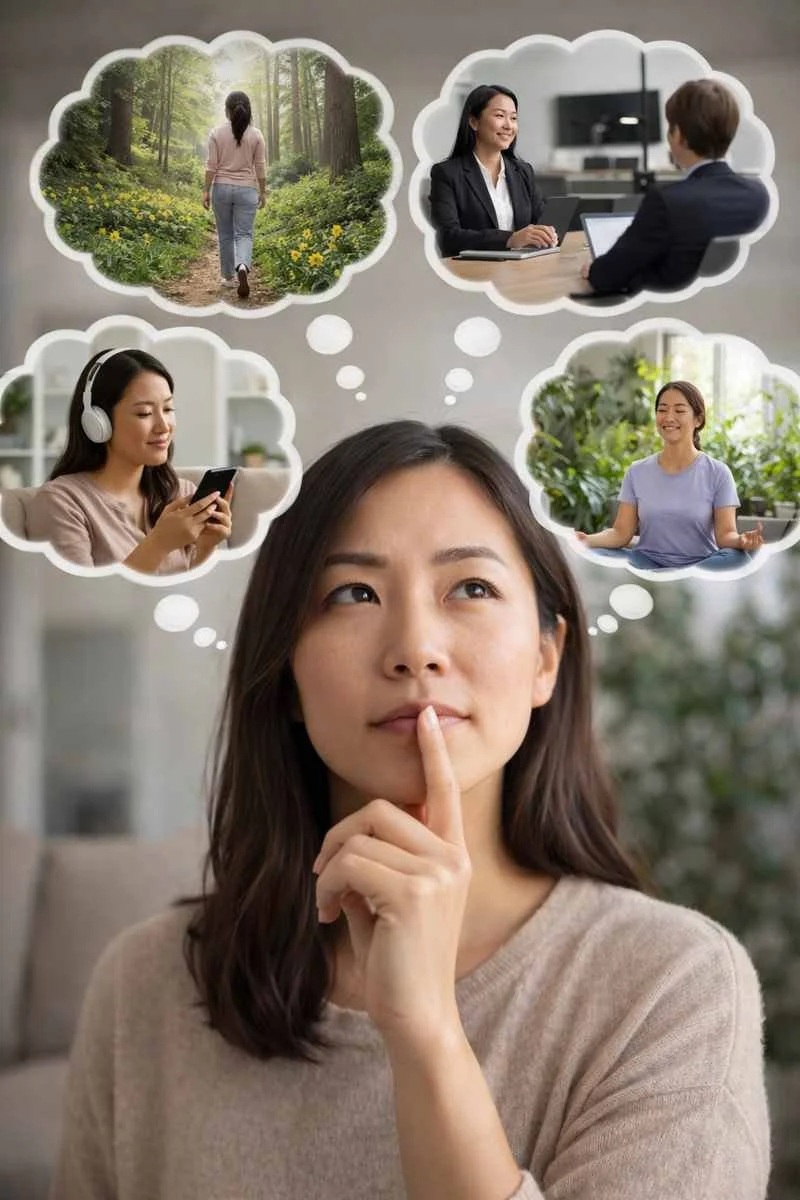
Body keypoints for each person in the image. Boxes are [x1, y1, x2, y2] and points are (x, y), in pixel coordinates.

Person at [52, 422, 769, 1199]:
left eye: (471, 587)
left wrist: (426, 1031)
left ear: (546, 657)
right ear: (286, 673)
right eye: (353, 593)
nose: (415, 648)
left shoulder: (671, 986)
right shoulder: (146, 984)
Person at [27, 348, 232, 575]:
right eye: (144, 413)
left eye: (168, 409)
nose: (164, 426)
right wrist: (159, 544)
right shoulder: (61, 503)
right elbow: (79, 598)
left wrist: (206, 546)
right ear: (97, 423)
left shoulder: (181, 494)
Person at [582, 79, 769, 295]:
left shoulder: (667, 201)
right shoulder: (758, 194)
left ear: (678, 135)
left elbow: (606, 277)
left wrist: (596, 270)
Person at [576, 381, 764, 570]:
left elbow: (725, 536)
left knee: (737, 559)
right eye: (662, 410)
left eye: (680, 411)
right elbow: (620, 533)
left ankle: (667, 579)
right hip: (646, 560)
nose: (669, 417)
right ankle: (672, 580)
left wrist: (742, 541)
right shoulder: (636, 471)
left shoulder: (718, 473)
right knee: (591, 555)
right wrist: (585, 540)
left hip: (700, 564)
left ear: (698, 420)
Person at [429, 84, 557, 258]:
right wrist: (509, 239)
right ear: (474, 122)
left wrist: (547, 234)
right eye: (499, 116)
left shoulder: (523, 171)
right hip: (474, 272)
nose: (508, 125)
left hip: (523, 269)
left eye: (513, 118)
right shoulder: (447, 173)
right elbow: (448, 237)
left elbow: (540, 221)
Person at [204, 90, 267, 299]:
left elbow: (211, 166)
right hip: (247, 190)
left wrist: (206, 190)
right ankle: (243, 265)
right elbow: (260, 167)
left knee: (225, 234)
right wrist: (263, 191)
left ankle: (228, 277)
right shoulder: (256, 135)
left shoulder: (216, 133)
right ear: (248, 110)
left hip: (221, 188)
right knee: (244, 234)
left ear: (227, 111)